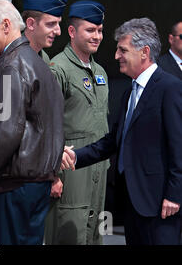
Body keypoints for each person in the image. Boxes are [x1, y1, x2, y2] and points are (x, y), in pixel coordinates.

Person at [61, 17, 182, 245]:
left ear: (144, 52)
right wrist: (76, 156)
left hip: (161, 206)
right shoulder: (130, 92)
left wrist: (174, 196)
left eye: (122, 50)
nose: (116, 56)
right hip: (132, 204)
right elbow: (113, 142)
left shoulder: (170, 88)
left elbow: (179, 147)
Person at [0, 0, 64, 245]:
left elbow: (7, 133)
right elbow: (33, 122)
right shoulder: (37, 62)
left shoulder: (11, 65)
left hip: (14, 189)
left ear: (6, 25)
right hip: (35, 185)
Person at [45, 0, 109, 245]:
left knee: (93, 233)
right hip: (69, 167)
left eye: (100, 30)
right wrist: (53, 175)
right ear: (72, 32)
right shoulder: (57, 69)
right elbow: (48, 125)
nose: (97, 36)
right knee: (68, 232)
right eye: (90, 30)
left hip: (97, 167)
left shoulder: (100, 72)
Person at [21, 0, 67, 64]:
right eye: (51, 24)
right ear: (31, 24)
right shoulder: (5, 60)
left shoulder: (44, 59)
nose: (58, 32)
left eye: (59, 23)